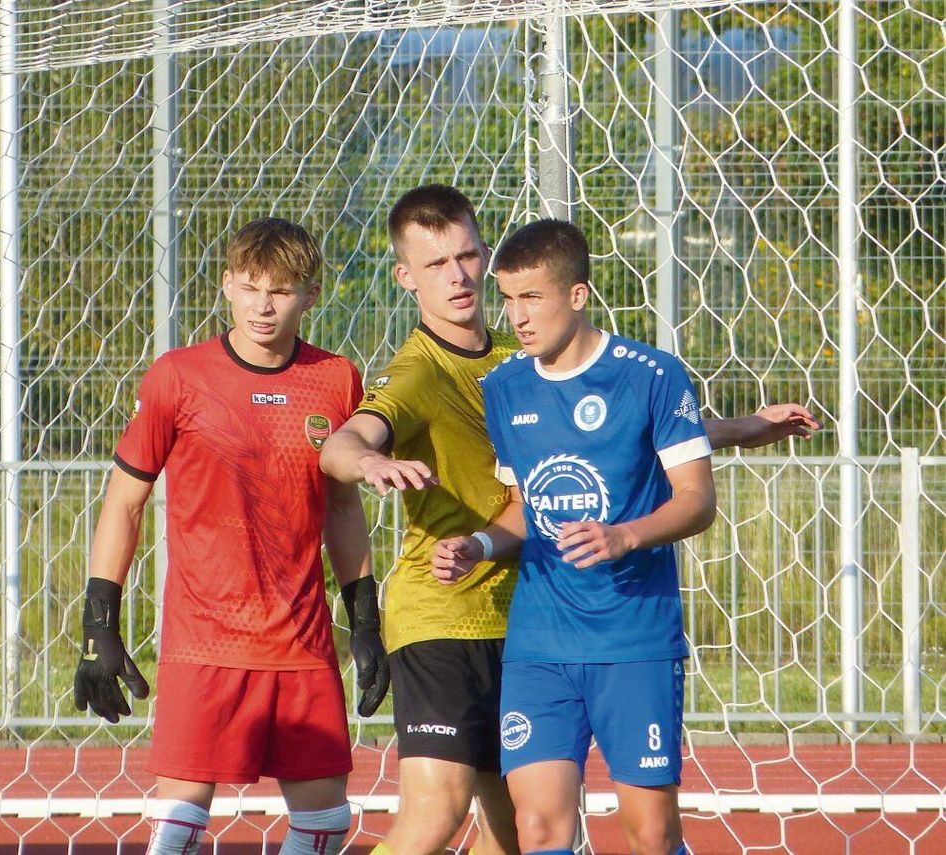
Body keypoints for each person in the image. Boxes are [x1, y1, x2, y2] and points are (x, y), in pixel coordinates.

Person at [318, 185, 819, 855]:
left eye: (467, 256)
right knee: (439, 808)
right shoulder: (421, 374)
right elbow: (345, 442)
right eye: (436, 265)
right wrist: (366, 462)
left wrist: (737, 429)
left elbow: (626, 434)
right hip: (448, 609)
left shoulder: (520, 363)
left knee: (518, 832)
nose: (459, 276)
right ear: (405, 276)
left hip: (526, 610)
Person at [72, 218, 389, 855]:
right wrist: (99, 623)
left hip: (301, 642)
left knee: (325, 824)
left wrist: (367, 618)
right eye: (249, 287)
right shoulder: (179, 377)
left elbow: (344, 509)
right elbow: (125, 502)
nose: (263, 305)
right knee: (177, 834)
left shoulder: (336, 379)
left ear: (311, 293)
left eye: (281, 290)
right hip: (204, 644)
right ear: (226, 287)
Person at [478, 217, 712, 855]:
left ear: (577, 296)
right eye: (506, 298)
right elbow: (526, 507)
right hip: (539, 643)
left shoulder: (652, 376)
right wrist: (475, 545)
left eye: (532, 298)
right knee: (539, 827)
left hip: (633, 638)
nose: (517, 316)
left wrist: (625, 537)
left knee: (650, 833)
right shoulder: (502, 388)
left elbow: (697, 500)